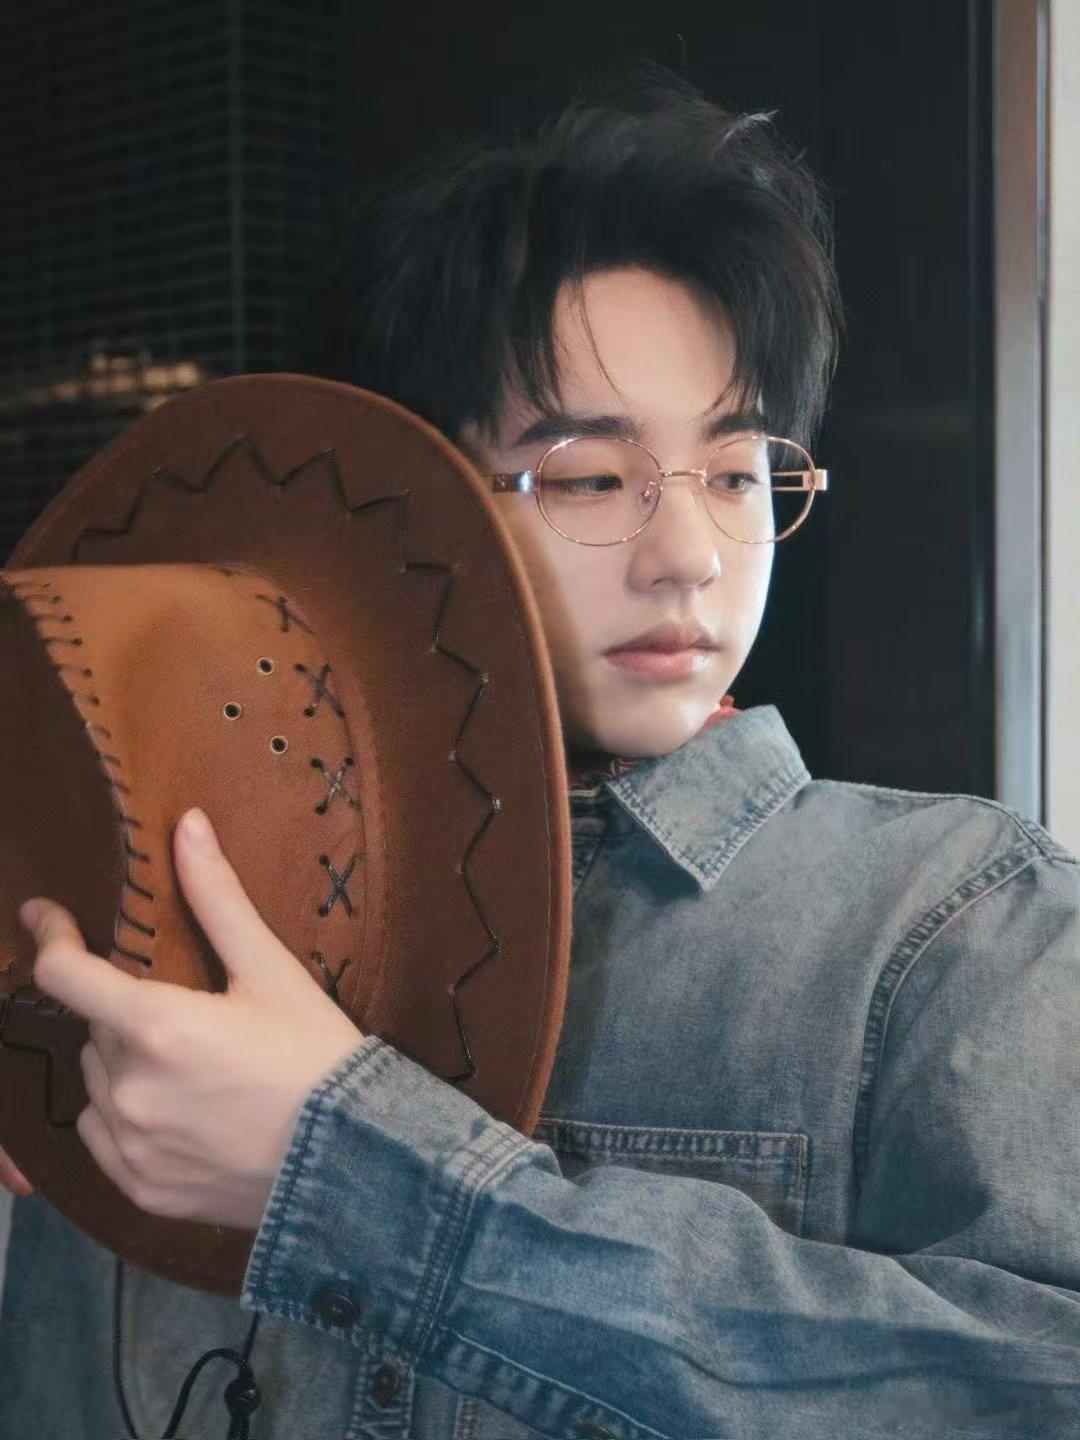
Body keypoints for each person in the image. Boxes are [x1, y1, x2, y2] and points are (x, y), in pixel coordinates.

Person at [2, 61, 1079, 1440]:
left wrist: (351, 1177)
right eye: (588, 477)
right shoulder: (164, 897)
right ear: (411, 515)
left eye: (737, 473)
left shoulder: (954, 920)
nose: (690, 555)